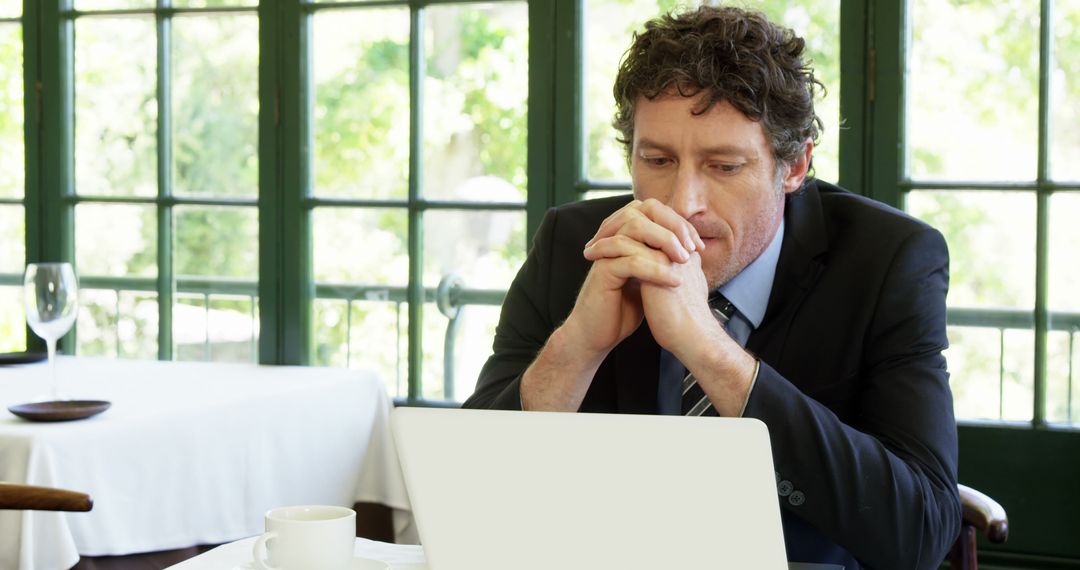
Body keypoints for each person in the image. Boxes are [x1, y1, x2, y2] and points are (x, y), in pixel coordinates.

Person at [462, 5, 961, 568]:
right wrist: (576, 346)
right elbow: (463, 491)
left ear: (794, 166)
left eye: (724, 166)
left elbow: (920, 533)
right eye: (657, 159)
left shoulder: (888, 260)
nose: (683, 203)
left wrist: (712, 351)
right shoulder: (575, 245)